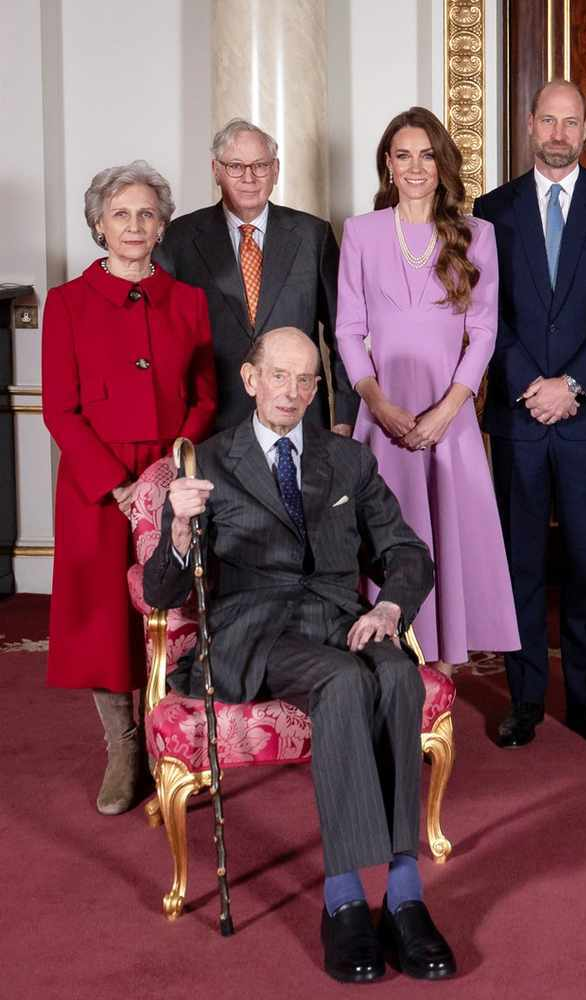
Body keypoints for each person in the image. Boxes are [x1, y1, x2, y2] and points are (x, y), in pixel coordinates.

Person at [144, 327, 455, 983]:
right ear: (251, 379)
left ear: (317, 390)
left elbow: (405, 551)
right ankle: (345, 900)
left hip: (342, 617)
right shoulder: (208, 462)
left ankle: (405, 895)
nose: (291, 391)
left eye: (305, 379)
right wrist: (179, 526)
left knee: (399, 675)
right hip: (253, 630)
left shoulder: (347, 461)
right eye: (278, 376)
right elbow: (162, 593)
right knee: (343, 681)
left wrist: (388, 610)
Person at [472, 80, 586, 751]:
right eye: (548, 120)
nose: (558, 134)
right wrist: (529, 383)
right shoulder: (491, 210)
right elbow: (486, 313)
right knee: (519, 565)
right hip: (518, 416)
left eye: (570, 122)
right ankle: (524, 701)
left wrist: (572, 383)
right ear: (529, 124)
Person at [42, 160, 217, 815]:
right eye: (121, 214)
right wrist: (118, 486)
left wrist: (167, 473)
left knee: (172, 611)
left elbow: (206, 397)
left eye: (147, 214)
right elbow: (60, 409)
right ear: (98, 224)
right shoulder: (67, 302)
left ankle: (168, 740)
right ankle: (123, 749)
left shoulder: (188, 300)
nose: (135, 225)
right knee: (104, 621)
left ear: (163, 225)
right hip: (96, 488)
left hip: (170, 482)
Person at [336, 106, 519, 673]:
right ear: (388, 165)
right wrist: (376, 402)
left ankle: (440, 678)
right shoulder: (361, 231)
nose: (415, 167)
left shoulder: (477, 234)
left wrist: (447, 410)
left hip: (450, 414)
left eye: (426, 155)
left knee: (447, 535)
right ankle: (382, 667)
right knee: (384, 533)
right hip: (383, 414)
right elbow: (347, 329)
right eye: (403, 155)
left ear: (443, 164)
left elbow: (484, 331)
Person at [157, 118, 357, 434]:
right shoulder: (178, 239)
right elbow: (162, 342)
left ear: (275, 170)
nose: (249, 177)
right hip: (211, 425)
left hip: (299, 419)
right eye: (235, 166)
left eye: (260, 166)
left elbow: (342, 333)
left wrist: (344, 418)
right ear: (216, 170)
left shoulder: (313, 236)